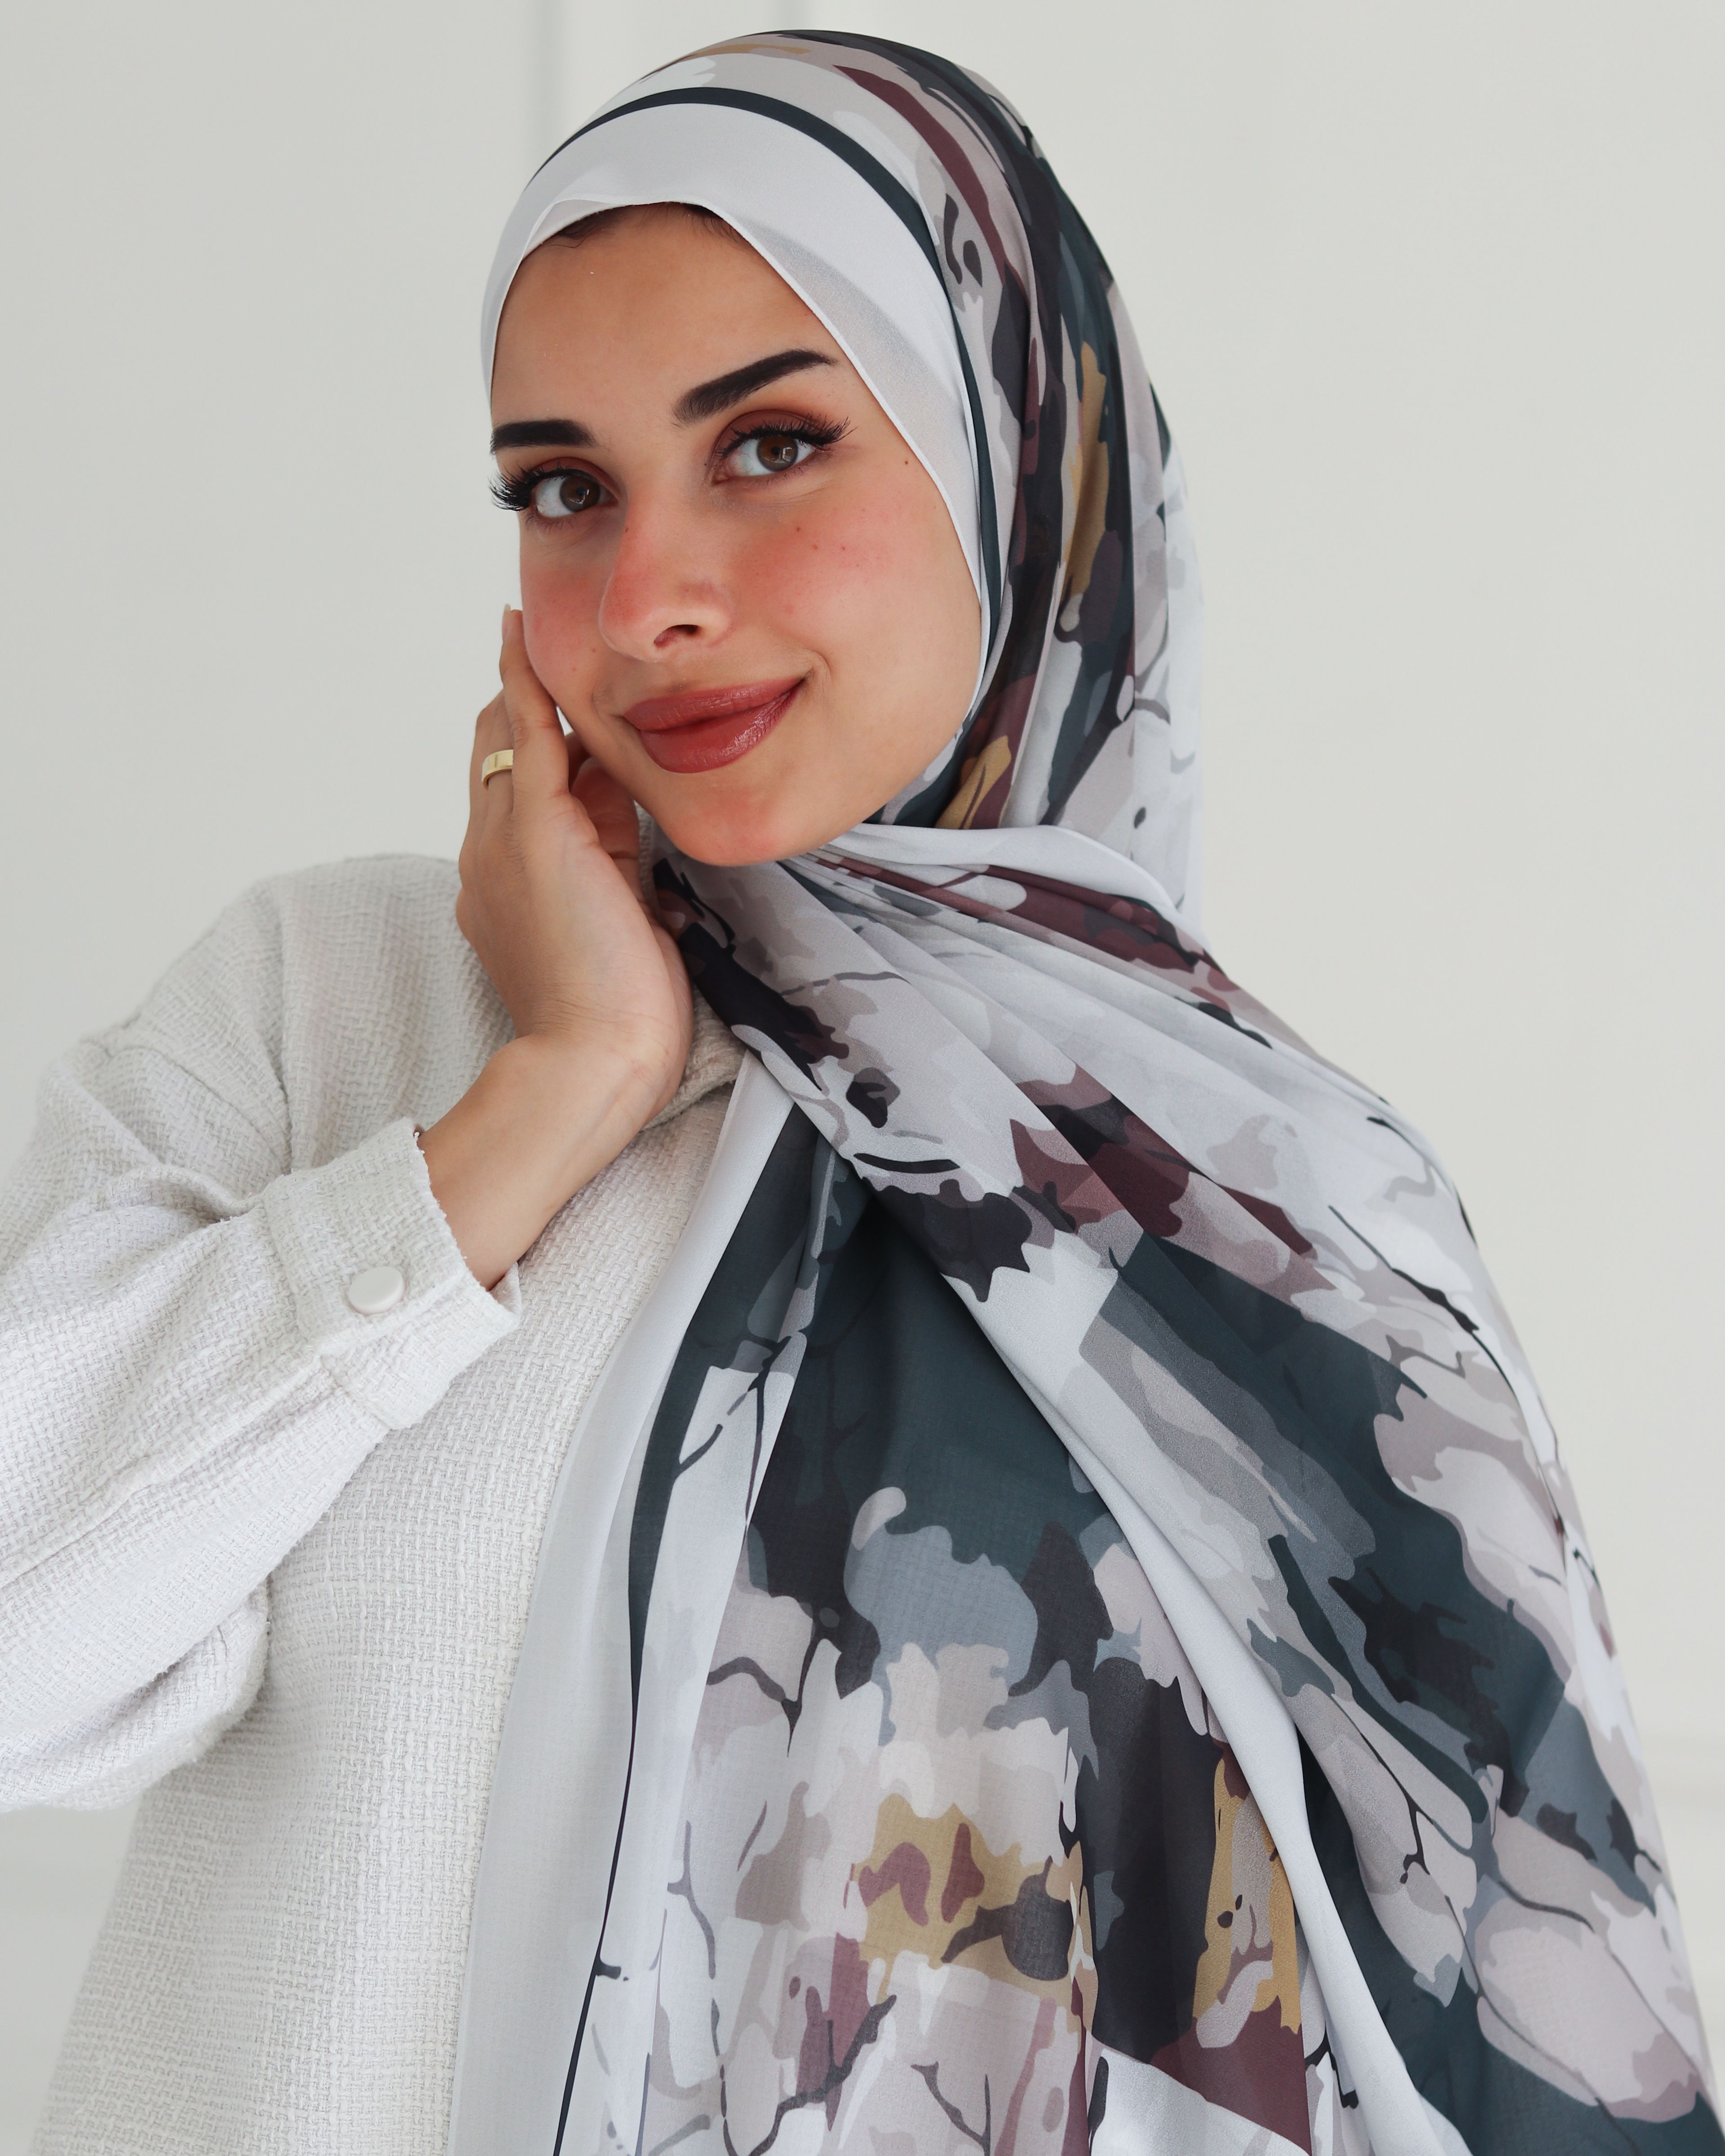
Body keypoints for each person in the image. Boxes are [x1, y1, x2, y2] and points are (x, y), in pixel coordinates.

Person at [0, 30, 1713, 2156]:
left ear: (1016, 470)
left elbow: (1503, 2012)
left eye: (772, 446)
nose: (651, 598)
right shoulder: (332, 1010)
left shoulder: (1279, 1222)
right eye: (565, 490)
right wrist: (542, 1107)